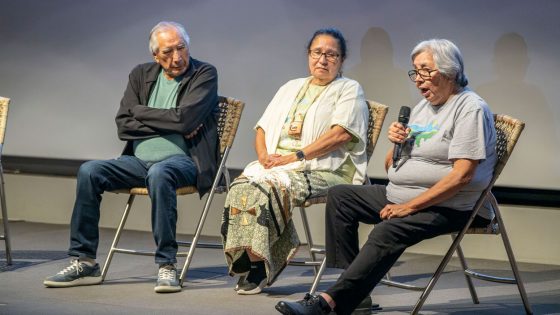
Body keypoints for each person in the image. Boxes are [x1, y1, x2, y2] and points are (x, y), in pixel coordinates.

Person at [276, 38, 497, 315]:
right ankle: (355, 293)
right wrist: (398, 145)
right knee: (341, 197)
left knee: (387, 230)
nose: (418, 79)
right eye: (415, 71)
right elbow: (394, 165)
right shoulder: (423, 107)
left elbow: (462, 176)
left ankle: (329, 303)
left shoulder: (470, 108)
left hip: (452, 204)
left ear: (450, 71)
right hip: (404, 194)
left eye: (425, 71)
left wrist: (410, 207)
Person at [43, 21, 219, 293]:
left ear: (188, 45)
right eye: (168, 52)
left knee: (160, 173)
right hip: (137, 162)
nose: (177, 57)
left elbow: (184, 121)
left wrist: (142, 111)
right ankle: (85, 261)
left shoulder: (204, 73)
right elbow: (124, 125)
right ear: (155, 56)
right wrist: (168, 118)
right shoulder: (141, 74)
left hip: (185, 161)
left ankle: (167, 264)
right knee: (90, 171)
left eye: (181, 48)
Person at [221, 28, 369, 295]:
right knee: (240, 187)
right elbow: (262, 128)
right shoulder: (290, 87)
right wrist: (264, 156)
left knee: (269, 188)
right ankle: (249, 259)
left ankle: (263, 264)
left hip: (325, 168)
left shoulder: (348, 89)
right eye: (317, 53)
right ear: (308, 55)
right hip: (279, 165)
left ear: (342, 59)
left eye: (331, 54)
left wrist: (296, 156)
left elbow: (341, 134)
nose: (323, 59)